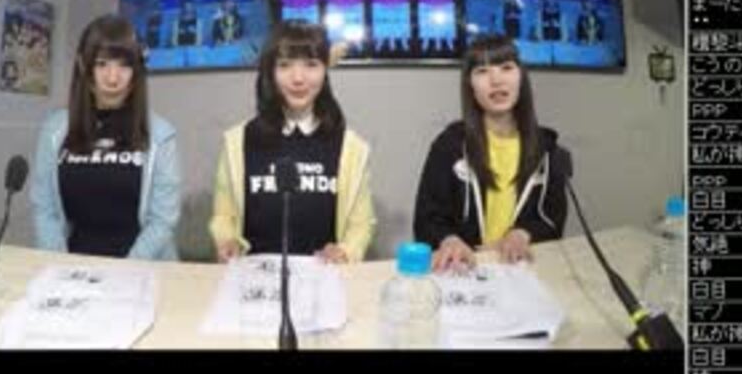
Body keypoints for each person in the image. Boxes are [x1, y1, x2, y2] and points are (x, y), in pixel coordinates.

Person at [210, 21, 374, 263]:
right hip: (253, 275)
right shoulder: (238, 141)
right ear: (270, 71)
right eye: (285, 65)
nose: (298, 78)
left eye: (311, 65)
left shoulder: (351, 148)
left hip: (324, 276)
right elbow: (224, 216)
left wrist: (346, 252)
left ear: (325, 70)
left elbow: (361, 224)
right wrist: (227, 241)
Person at [30, 14, 181, 260]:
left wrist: (123, 271)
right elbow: (44, 211)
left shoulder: (160, 134)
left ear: (137, 69)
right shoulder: (55, 130)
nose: (113, 78)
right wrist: (57, 264)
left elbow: (162, 221)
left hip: (142, 268)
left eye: (124, 65)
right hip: (72, 268)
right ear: (83, 65)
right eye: (102, 64)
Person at [413, 34, 568, 272]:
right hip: (465, 270)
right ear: (470, 86)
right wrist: (449, 240)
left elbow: (553, 219)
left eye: (506, 68)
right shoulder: (449, 145)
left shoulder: (546, 148)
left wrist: (523, 233)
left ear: (521, 77)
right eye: (482, 71)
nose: (496, 80)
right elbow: (426, 220)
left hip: (521, 269)